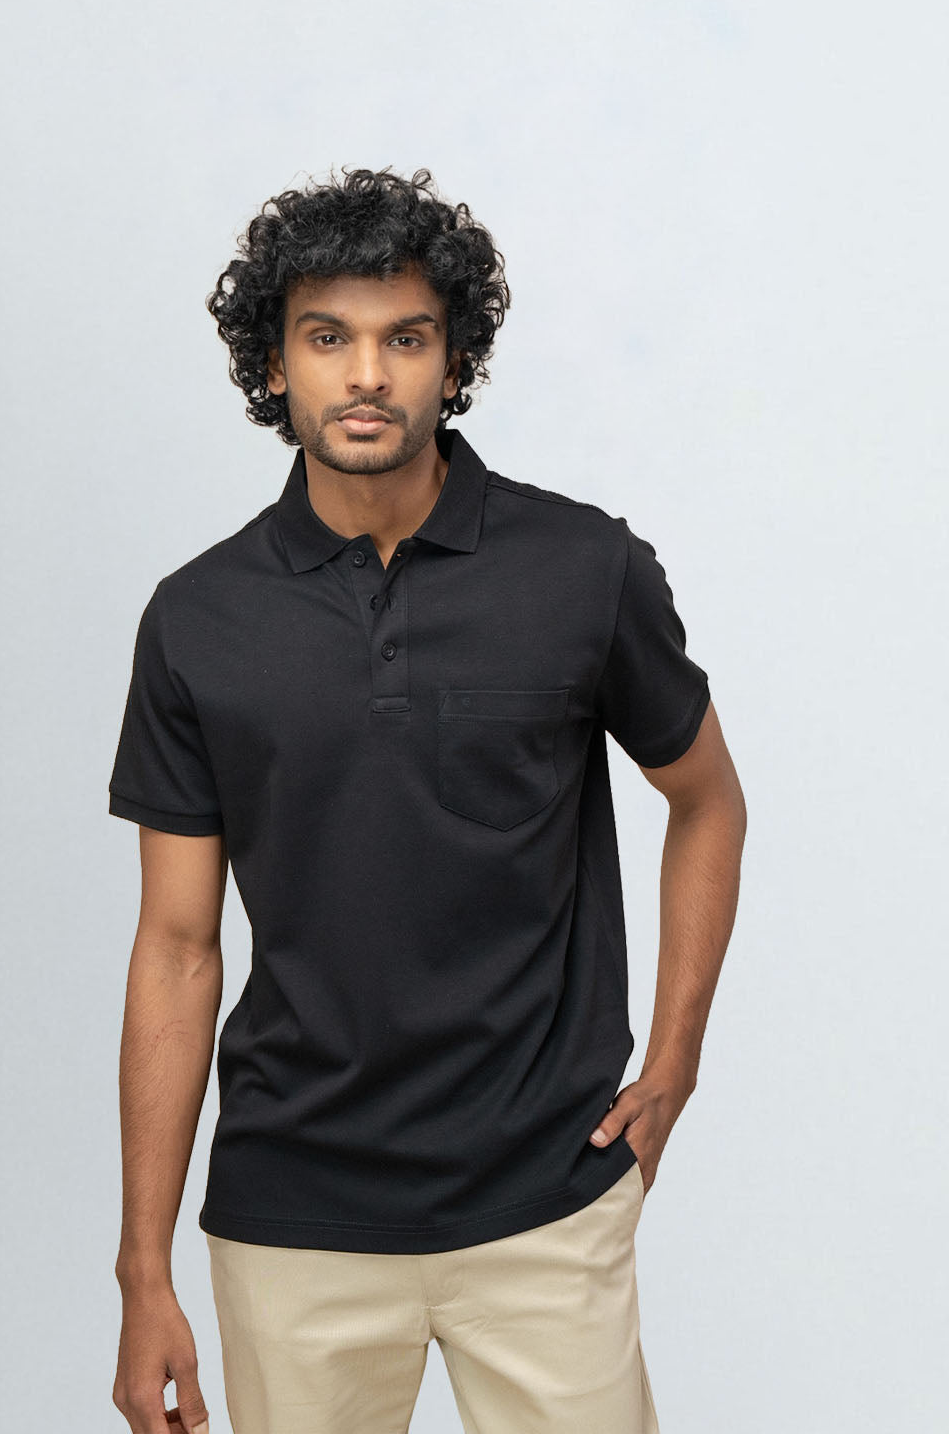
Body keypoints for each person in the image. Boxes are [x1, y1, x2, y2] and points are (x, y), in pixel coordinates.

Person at [108, 165, 747, 1434]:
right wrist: (143, 1273)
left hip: (547, 1197)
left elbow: (709, 800)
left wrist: (673, 1062)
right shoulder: (197, 620)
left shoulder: (584, 568)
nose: (367, 376)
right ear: (273, 362)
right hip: (294, 1215)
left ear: (454, 361)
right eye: (327, 338)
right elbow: (177, 949)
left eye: (406, 338)